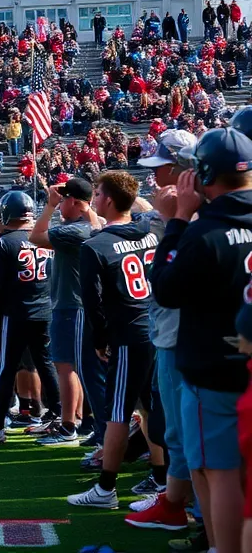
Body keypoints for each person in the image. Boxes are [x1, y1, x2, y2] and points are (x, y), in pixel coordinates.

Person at [149, 127, 252, 553]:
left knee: (216, 469)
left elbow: (166, 289)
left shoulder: (204, 230)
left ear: (203, 172)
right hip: (244, 363)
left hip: (213, 364)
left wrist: (176, 221)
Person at [68, 171, 164, 508]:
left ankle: (106, 489)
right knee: (152, 408)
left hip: (128, 334)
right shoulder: (151, 231)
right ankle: (162, 481)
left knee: (119, 413)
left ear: (106, 199)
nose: (95, 198)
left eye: (98, 193)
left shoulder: (96, 245)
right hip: (157, 329)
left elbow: (92, 303)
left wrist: (99, 339)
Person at [121, 129, 201, 531]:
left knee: (184, 429)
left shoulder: (193, 218)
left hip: (182, 335)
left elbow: (169, 284)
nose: (156, 176)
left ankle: (187, 510)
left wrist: (175, 218)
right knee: (175, 425)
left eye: (164, 166)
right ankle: (177, 499)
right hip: (173, 332)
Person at [0, 191, 61, 443]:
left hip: (14, 313)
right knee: (46, 365)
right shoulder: (45, 237)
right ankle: (59, 419)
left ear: (5, 213)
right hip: (45, 310)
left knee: (5, 368)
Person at [29, 176, 105, 448]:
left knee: (66, 367)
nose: (60, 206)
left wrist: (48, 207)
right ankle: (85, 422)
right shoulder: (92, 225)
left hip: (71, 305)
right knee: (80, 368)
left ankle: (69, 425)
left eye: (64, 201)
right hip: (77, 304)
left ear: (73, 202)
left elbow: (35, 237)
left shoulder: (75, 231)